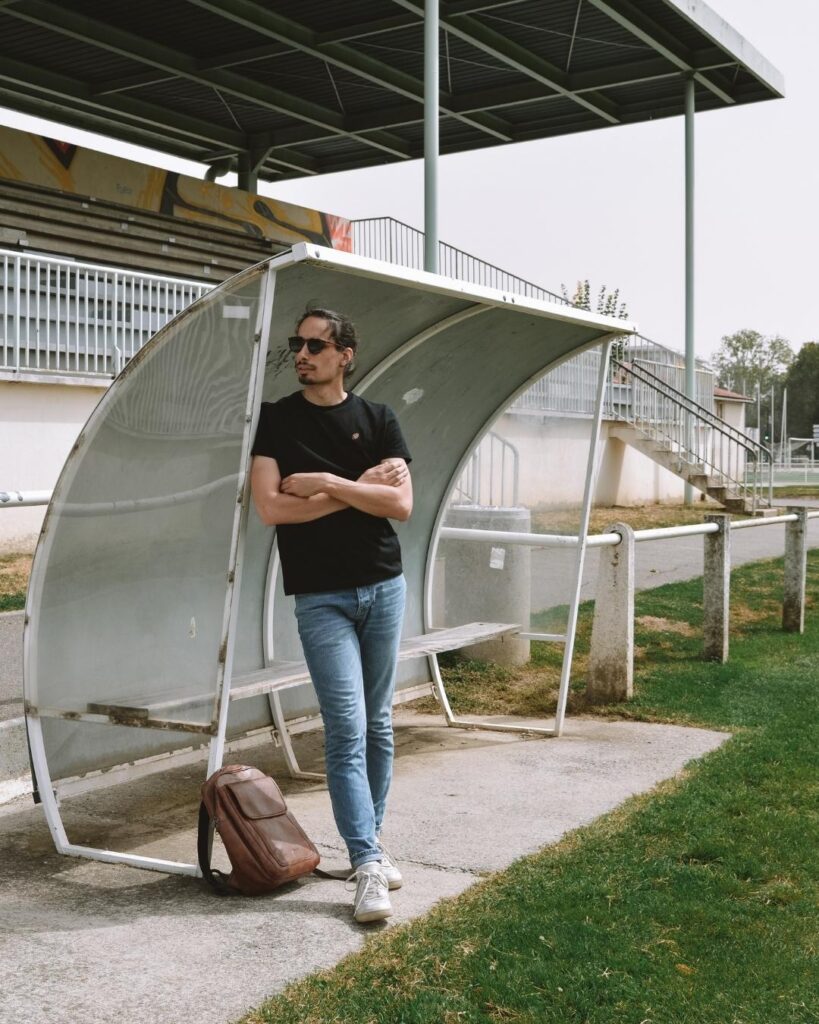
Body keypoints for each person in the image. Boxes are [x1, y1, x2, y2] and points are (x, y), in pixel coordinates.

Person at [250, 307, 413, 924]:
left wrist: (322, 481)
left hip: (383, 588)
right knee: (346, 728)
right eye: (297, 343)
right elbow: (271, 509)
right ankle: (368, 862)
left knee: (380, 727)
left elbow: (399, 504)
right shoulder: (276, 420)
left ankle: (369, 845)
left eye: (316, 344)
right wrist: (355, 488)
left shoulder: (378, 419)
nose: (302, 353)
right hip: (320, 597)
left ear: (345, 353)